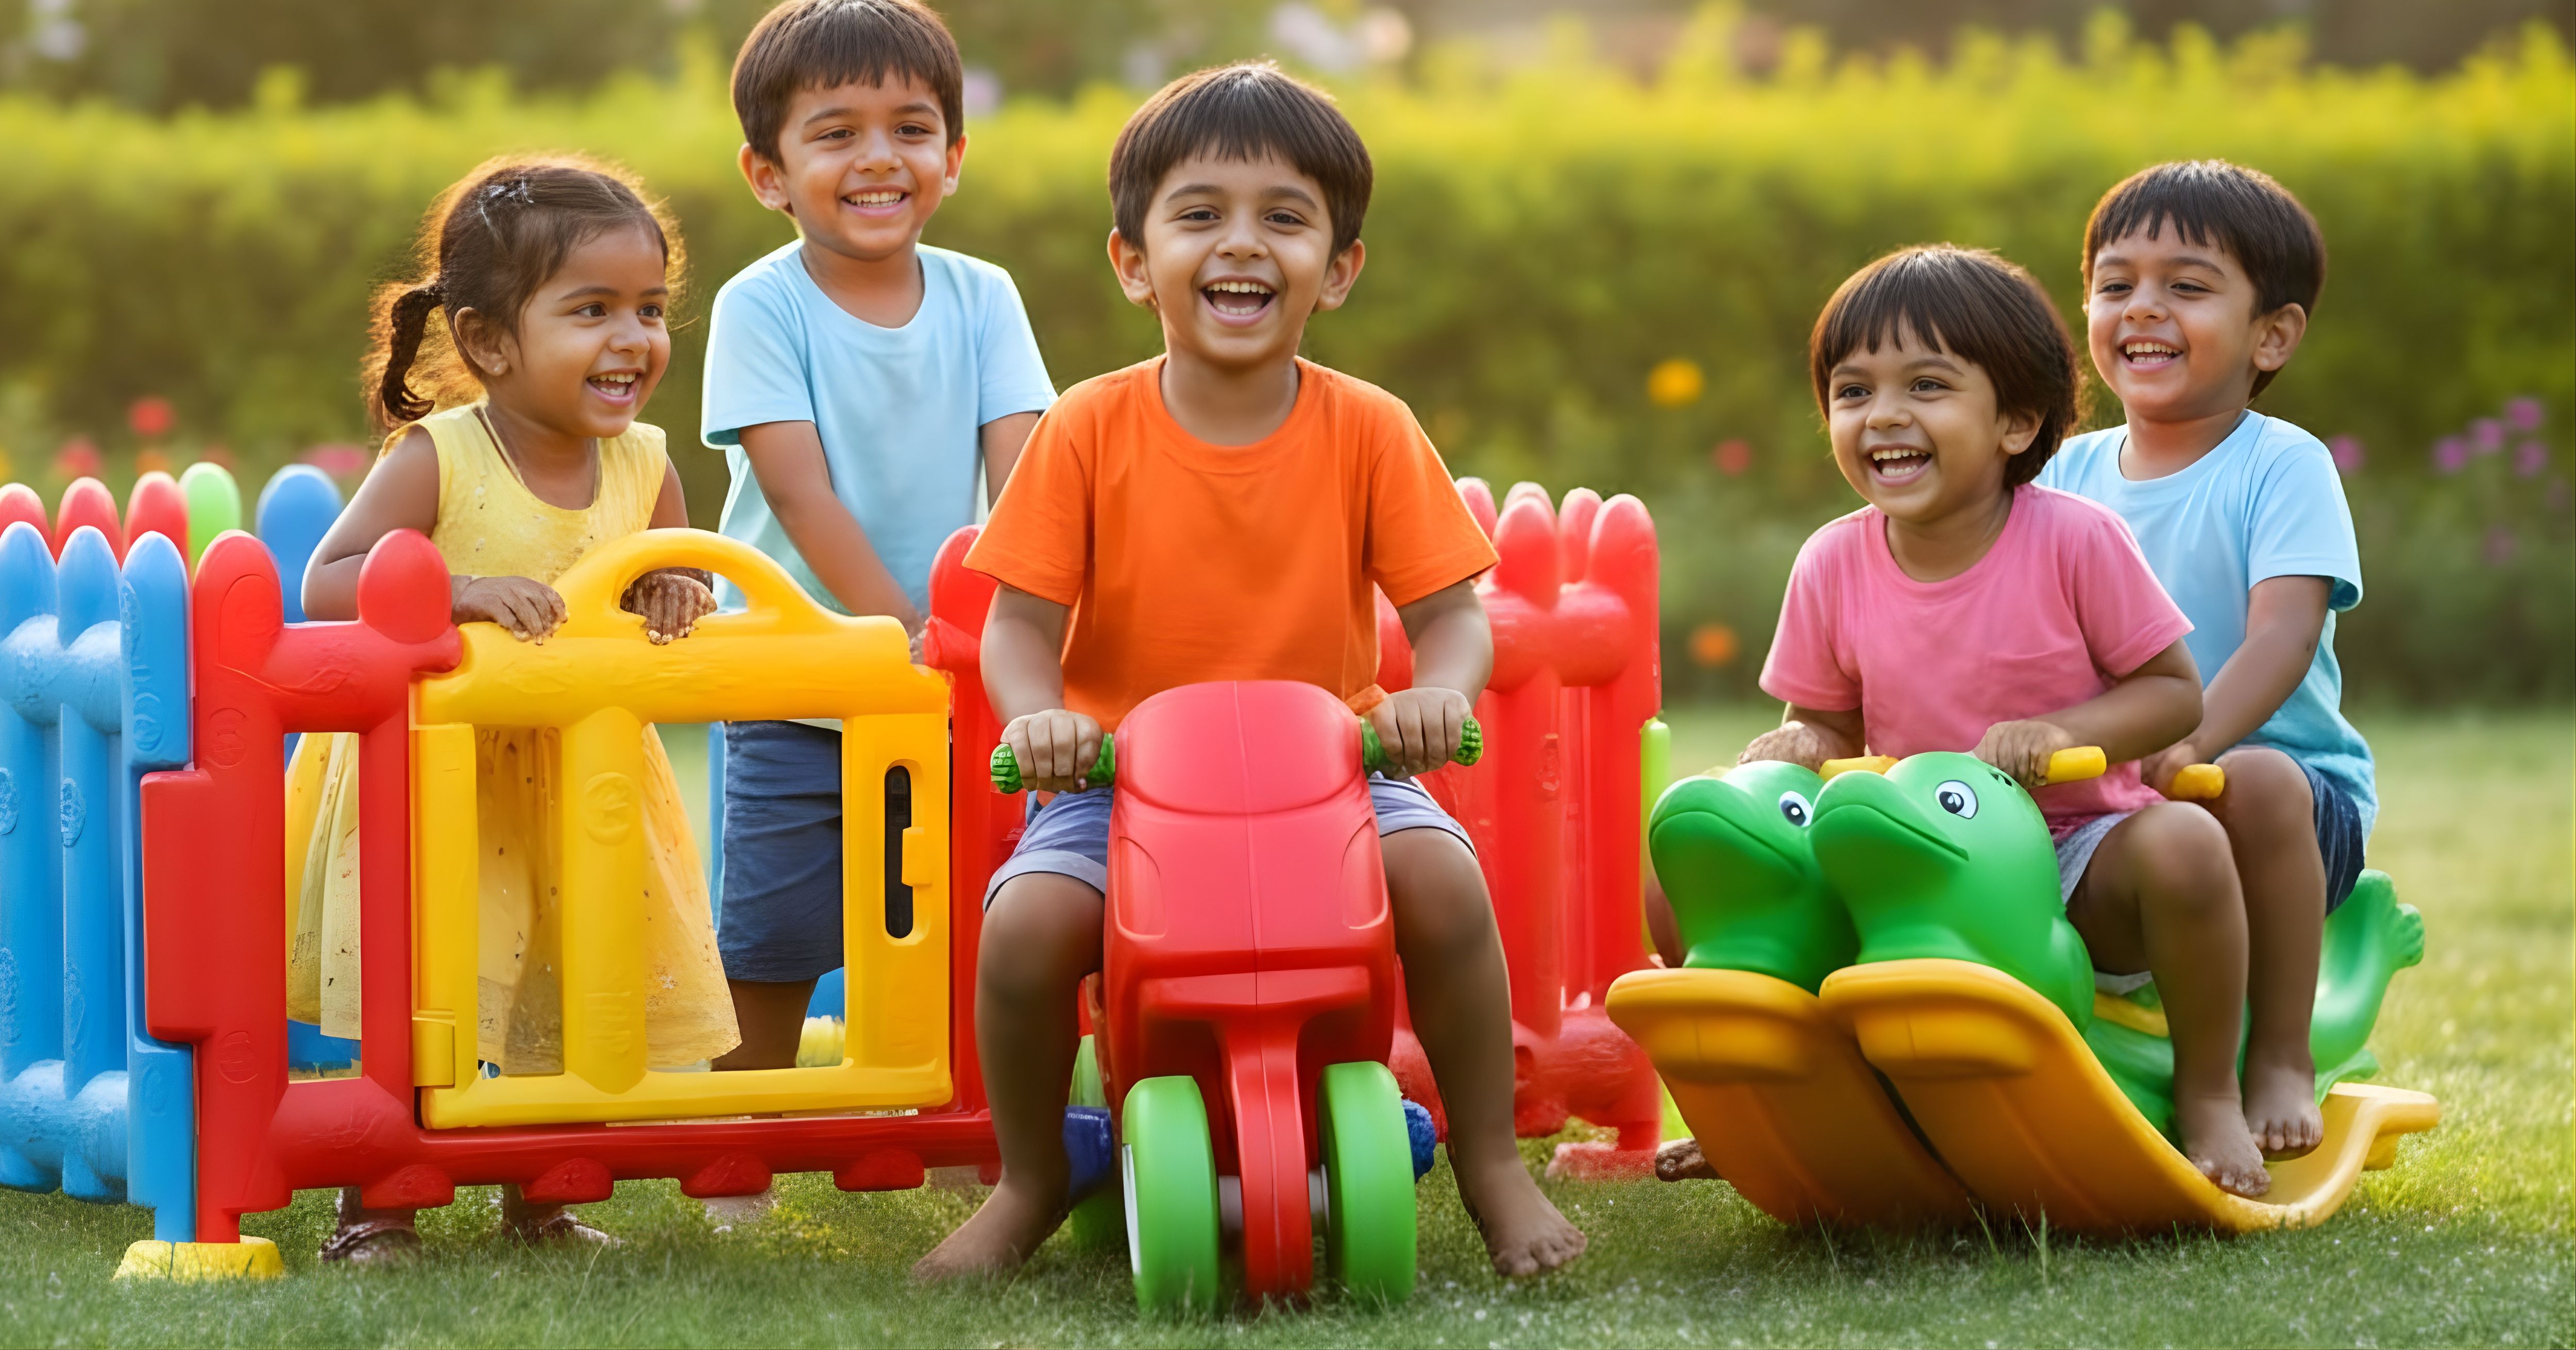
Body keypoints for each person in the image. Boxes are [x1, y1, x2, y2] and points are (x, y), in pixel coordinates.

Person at [916, 61, 1588, 1281]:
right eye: (1201, 214)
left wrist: (1437, 689)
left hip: (1334, 770)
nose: (1243, 244)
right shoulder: (1086, 429)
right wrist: (1046, 720)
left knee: (1441, 881)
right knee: (1024, 928)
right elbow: (1016, 626)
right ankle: (1026, 1178)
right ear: (1134, 262)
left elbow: (1453, 614)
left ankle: (1494, 1163)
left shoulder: (1369, 427)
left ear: (1338, 269)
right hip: (1120, 784)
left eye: (1285, 218)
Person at [1708, 243, 2298, 1194]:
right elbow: (1824, 721)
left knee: (2186, 842)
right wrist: (1802, 742)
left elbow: (2174, 695)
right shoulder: (1831, 560)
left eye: (1928, 386)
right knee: (1736, 861)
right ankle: (1775, 1096)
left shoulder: (2076, 540)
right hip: (1912, 862)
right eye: (1853, 392)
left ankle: (2208, 1097)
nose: (1885, 416)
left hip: (2073, 850)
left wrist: (2066, 732)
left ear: (2017, 423)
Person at [286, 156, 736, 1261]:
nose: (632, 338)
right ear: (490, 342)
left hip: (582, 792)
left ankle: (544, 1196)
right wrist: (455, 592)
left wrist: (676, 588)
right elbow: (329, 579)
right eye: (591, 311)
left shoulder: (645, 466)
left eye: (649, 309)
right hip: (445, 789)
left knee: (574, 988)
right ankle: (377, 1205)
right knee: (426, 999)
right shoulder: (441, 459)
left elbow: (668, 572)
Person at [701, 0, 1054, 1078]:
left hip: (951, 676)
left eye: (910, 130)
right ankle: (741, 1136)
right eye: (835, 133)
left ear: (954, 156)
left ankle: (954, 1120)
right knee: (778, 924)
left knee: (954, 904)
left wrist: (1014, 626)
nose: (879, 159)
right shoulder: (763, 305)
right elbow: (799, 492)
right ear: (769, 174)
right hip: (797, 674)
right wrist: (902, 632)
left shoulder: (982, 295)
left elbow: (1029, 470)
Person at [2038, 160, 2371, 1162]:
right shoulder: (2062, 474)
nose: (2143, 308)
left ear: (2272, 334)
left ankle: (2277, 1056)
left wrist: (2193, 741)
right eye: (2115, 284)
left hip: (2286, 799)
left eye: (2186, 286)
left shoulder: (2282, 464)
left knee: (2260, 780)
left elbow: (2282, 633)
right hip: (2118, 793)